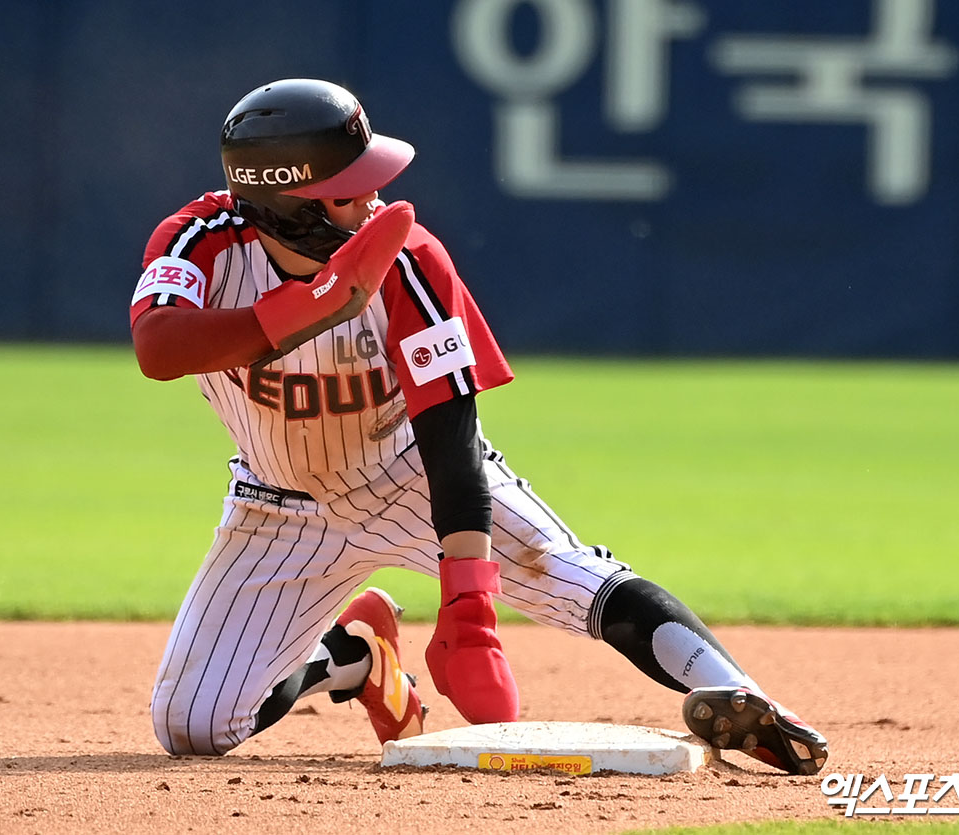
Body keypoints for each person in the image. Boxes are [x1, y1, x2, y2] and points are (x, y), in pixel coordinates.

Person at [130, 77, 829, 775]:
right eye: (350, 189)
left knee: (569, 573)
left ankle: (743, 696)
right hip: (278, 503)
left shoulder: (407, 258)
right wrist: (310, 308)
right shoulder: (202, 240)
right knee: (191, 725)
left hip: (413, 472)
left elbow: (450, 428)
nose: (374, 199)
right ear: (290, 206)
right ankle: (354, 656)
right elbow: (158, 347)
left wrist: (469, 601)